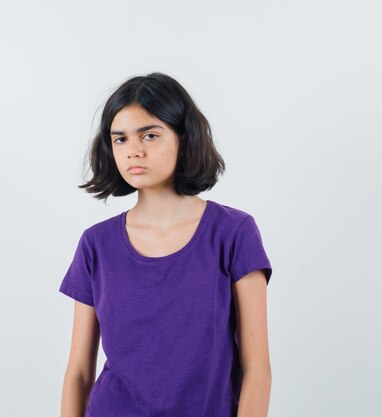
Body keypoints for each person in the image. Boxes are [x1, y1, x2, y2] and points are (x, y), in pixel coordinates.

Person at [58, 72, 273, 417]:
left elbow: (257, 369)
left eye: (150, 135)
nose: (134, 151)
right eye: (121, 139)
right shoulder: (95, 245)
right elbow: (79, 373)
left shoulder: (233, 233)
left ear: (184, 139)